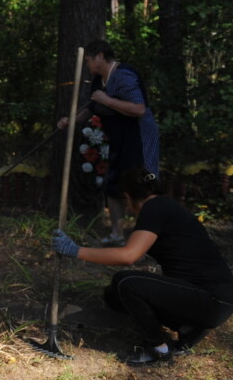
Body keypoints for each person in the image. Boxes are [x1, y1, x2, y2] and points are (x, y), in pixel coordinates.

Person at [51, 168, 233, 366]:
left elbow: (128, 256)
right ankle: (187, 328)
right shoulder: (166, 206)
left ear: (127, 196)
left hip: (211, 300)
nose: (128, 208)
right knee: (114, 296)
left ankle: (158, 348)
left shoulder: (155, 207)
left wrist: (75, 250)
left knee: (126, 282)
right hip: (209, 300)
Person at [58, 40, 160, 245]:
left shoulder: (123, 75)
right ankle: (117, 235)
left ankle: (150, 236)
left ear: (101, 57)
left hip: (138, 138)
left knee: (142, 184)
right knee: (113, 184)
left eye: (88, 60)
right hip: (117, 139)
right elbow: (91, 108)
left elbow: (138, 109)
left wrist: (106, 99)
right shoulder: (98, 80)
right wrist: (71, 120)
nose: (87, 64)